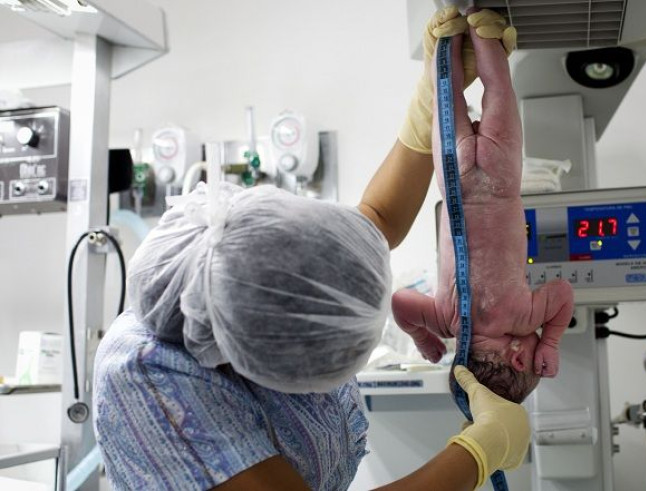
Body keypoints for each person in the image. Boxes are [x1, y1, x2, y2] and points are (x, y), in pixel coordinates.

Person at [93, 7, 530, 491]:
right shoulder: (150, 378)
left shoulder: (270, 275)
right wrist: (476, 452)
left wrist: (430, 101)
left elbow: (377, 218)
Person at [391, 8, 575, 404]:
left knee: (499, 91)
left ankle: (483, 28)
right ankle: (450, 32)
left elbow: (561, 293)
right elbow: (399, 303)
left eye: (531, 352)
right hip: (453, 178)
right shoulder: (447, 322)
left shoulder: (524, 319)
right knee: (448, 96)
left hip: (501, 176)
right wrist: (423, 336)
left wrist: (552, 342)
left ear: (518, 357)